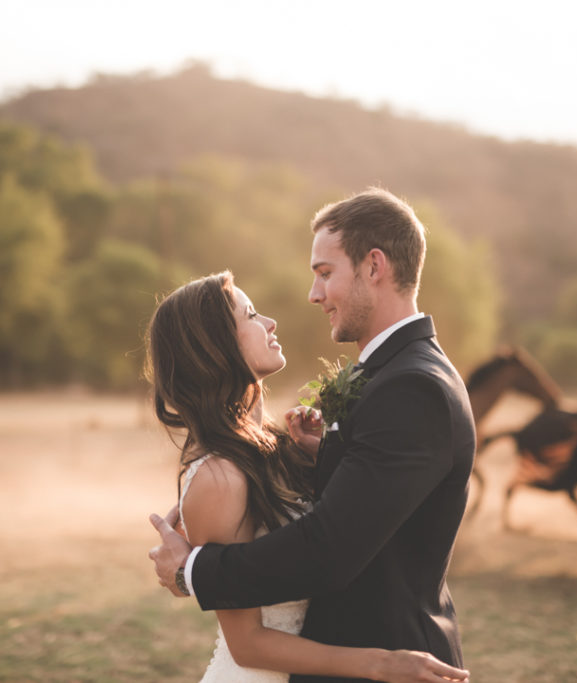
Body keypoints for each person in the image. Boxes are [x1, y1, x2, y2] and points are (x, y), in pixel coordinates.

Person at [149, 188, 477, 683]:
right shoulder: (391, 378)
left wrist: (193, 572)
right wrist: (328, 456)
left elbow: (328, 549)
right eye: (250, 314)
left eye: (325, 273)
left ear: (373, 266)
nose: (313, 295)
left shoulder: (411, 386)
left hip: (393, 655)